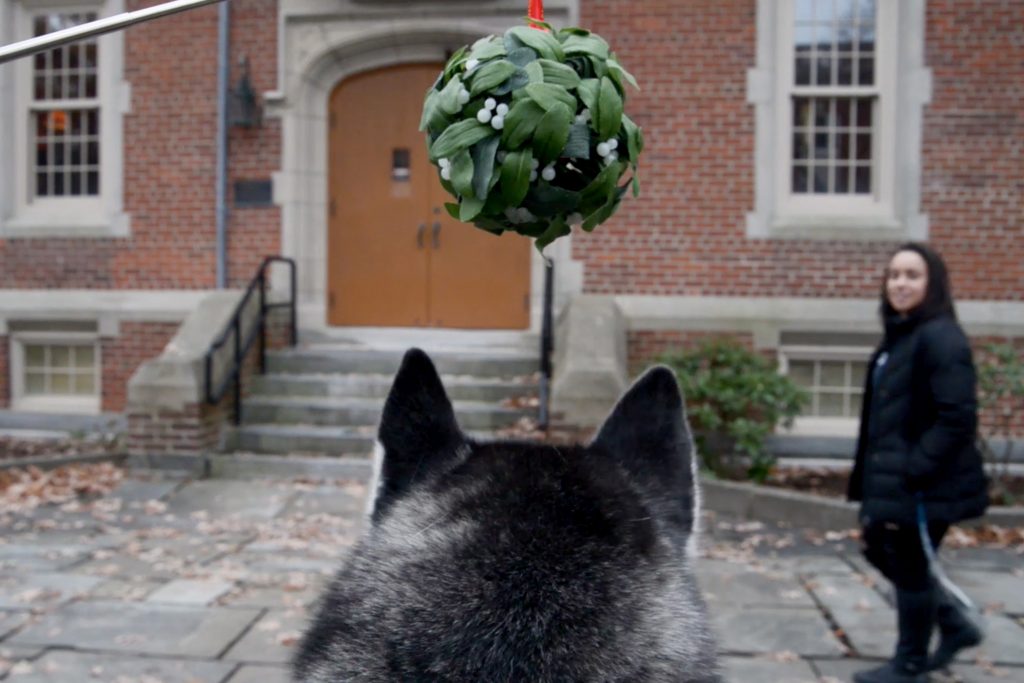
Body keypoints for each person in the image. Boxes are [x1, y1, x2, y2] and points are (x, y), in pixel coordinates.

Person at [848, 242, 989, 683]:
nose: (900, 283)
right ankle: (954, 623)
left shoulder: (940, 337)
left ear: (933, 283)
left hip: (925, 484)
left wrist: (917, 468)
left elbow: (958, 417)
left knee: (909, 566)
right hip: (892, 481)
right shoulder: (903, 335)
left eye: (912, 275)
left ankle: (909, 666)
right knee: (876, 546)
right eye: (893, 275)